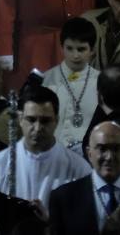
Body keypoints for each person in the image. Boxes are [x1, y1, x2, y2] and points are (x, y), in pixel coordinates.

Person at [0, 85, 91, 206]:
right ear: (20, 119)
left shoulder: (79, 168)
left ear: (57, 121)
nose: (38, 128)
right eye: (31, 120)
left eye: (45, 121)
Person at [45, 17, 100, 150]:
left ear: (92, 50)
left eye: (81, 49)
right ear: (61, 47)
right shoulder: (46, 79)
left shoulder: (101, 82)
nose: (75, 55)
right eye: (69, 48)